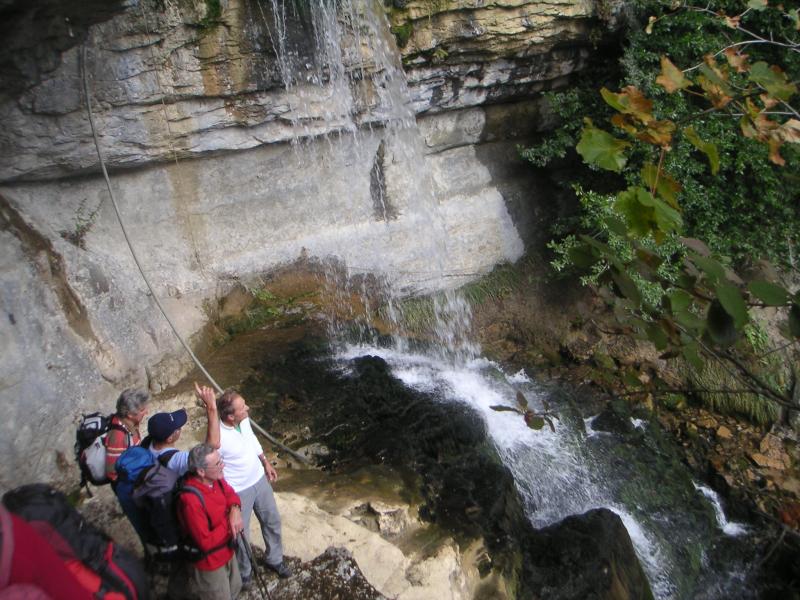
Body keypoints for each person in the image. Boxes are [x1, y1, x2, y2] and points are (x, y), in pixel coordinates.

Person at [217, 389, 291, 584]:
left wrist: (265, 462)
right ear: (230, 416)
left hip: (259, 479)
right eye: (243, 407)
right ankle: (245, 570)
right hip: (239, 490)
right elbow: (215, 469)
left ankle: (274, 559)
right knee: (241, 534)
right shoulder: (219, 438)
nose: (247, 408)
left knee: (272, 520)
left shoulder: (244, 421)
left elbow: (253, 441)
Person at [177, 444, 244, 600]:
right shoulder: (191, 501)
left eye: (221, 461)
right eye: (218, 464)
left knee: (235, 586)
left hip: (227, 551)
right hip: (210, 563)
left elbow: (231, 494)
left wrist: (235, 508)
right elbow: (205, 542)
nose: (223, 465)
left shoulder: (215, 480)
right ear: (201, 471)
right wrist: (229, 520)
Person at [145, 383, 221, 475]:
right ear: (169, 439)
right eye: (178, 428)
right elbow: (211, 448)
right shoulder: (176, 460)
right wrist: (211, 407)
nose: (180, 429)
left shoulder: (147, 443)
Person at [105, 388, 150, 482]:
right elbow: (112, 472)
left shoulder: (131, 423)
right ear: (130, 414)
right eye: (142, 410)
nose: (146, 412)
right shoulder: (118, 436)